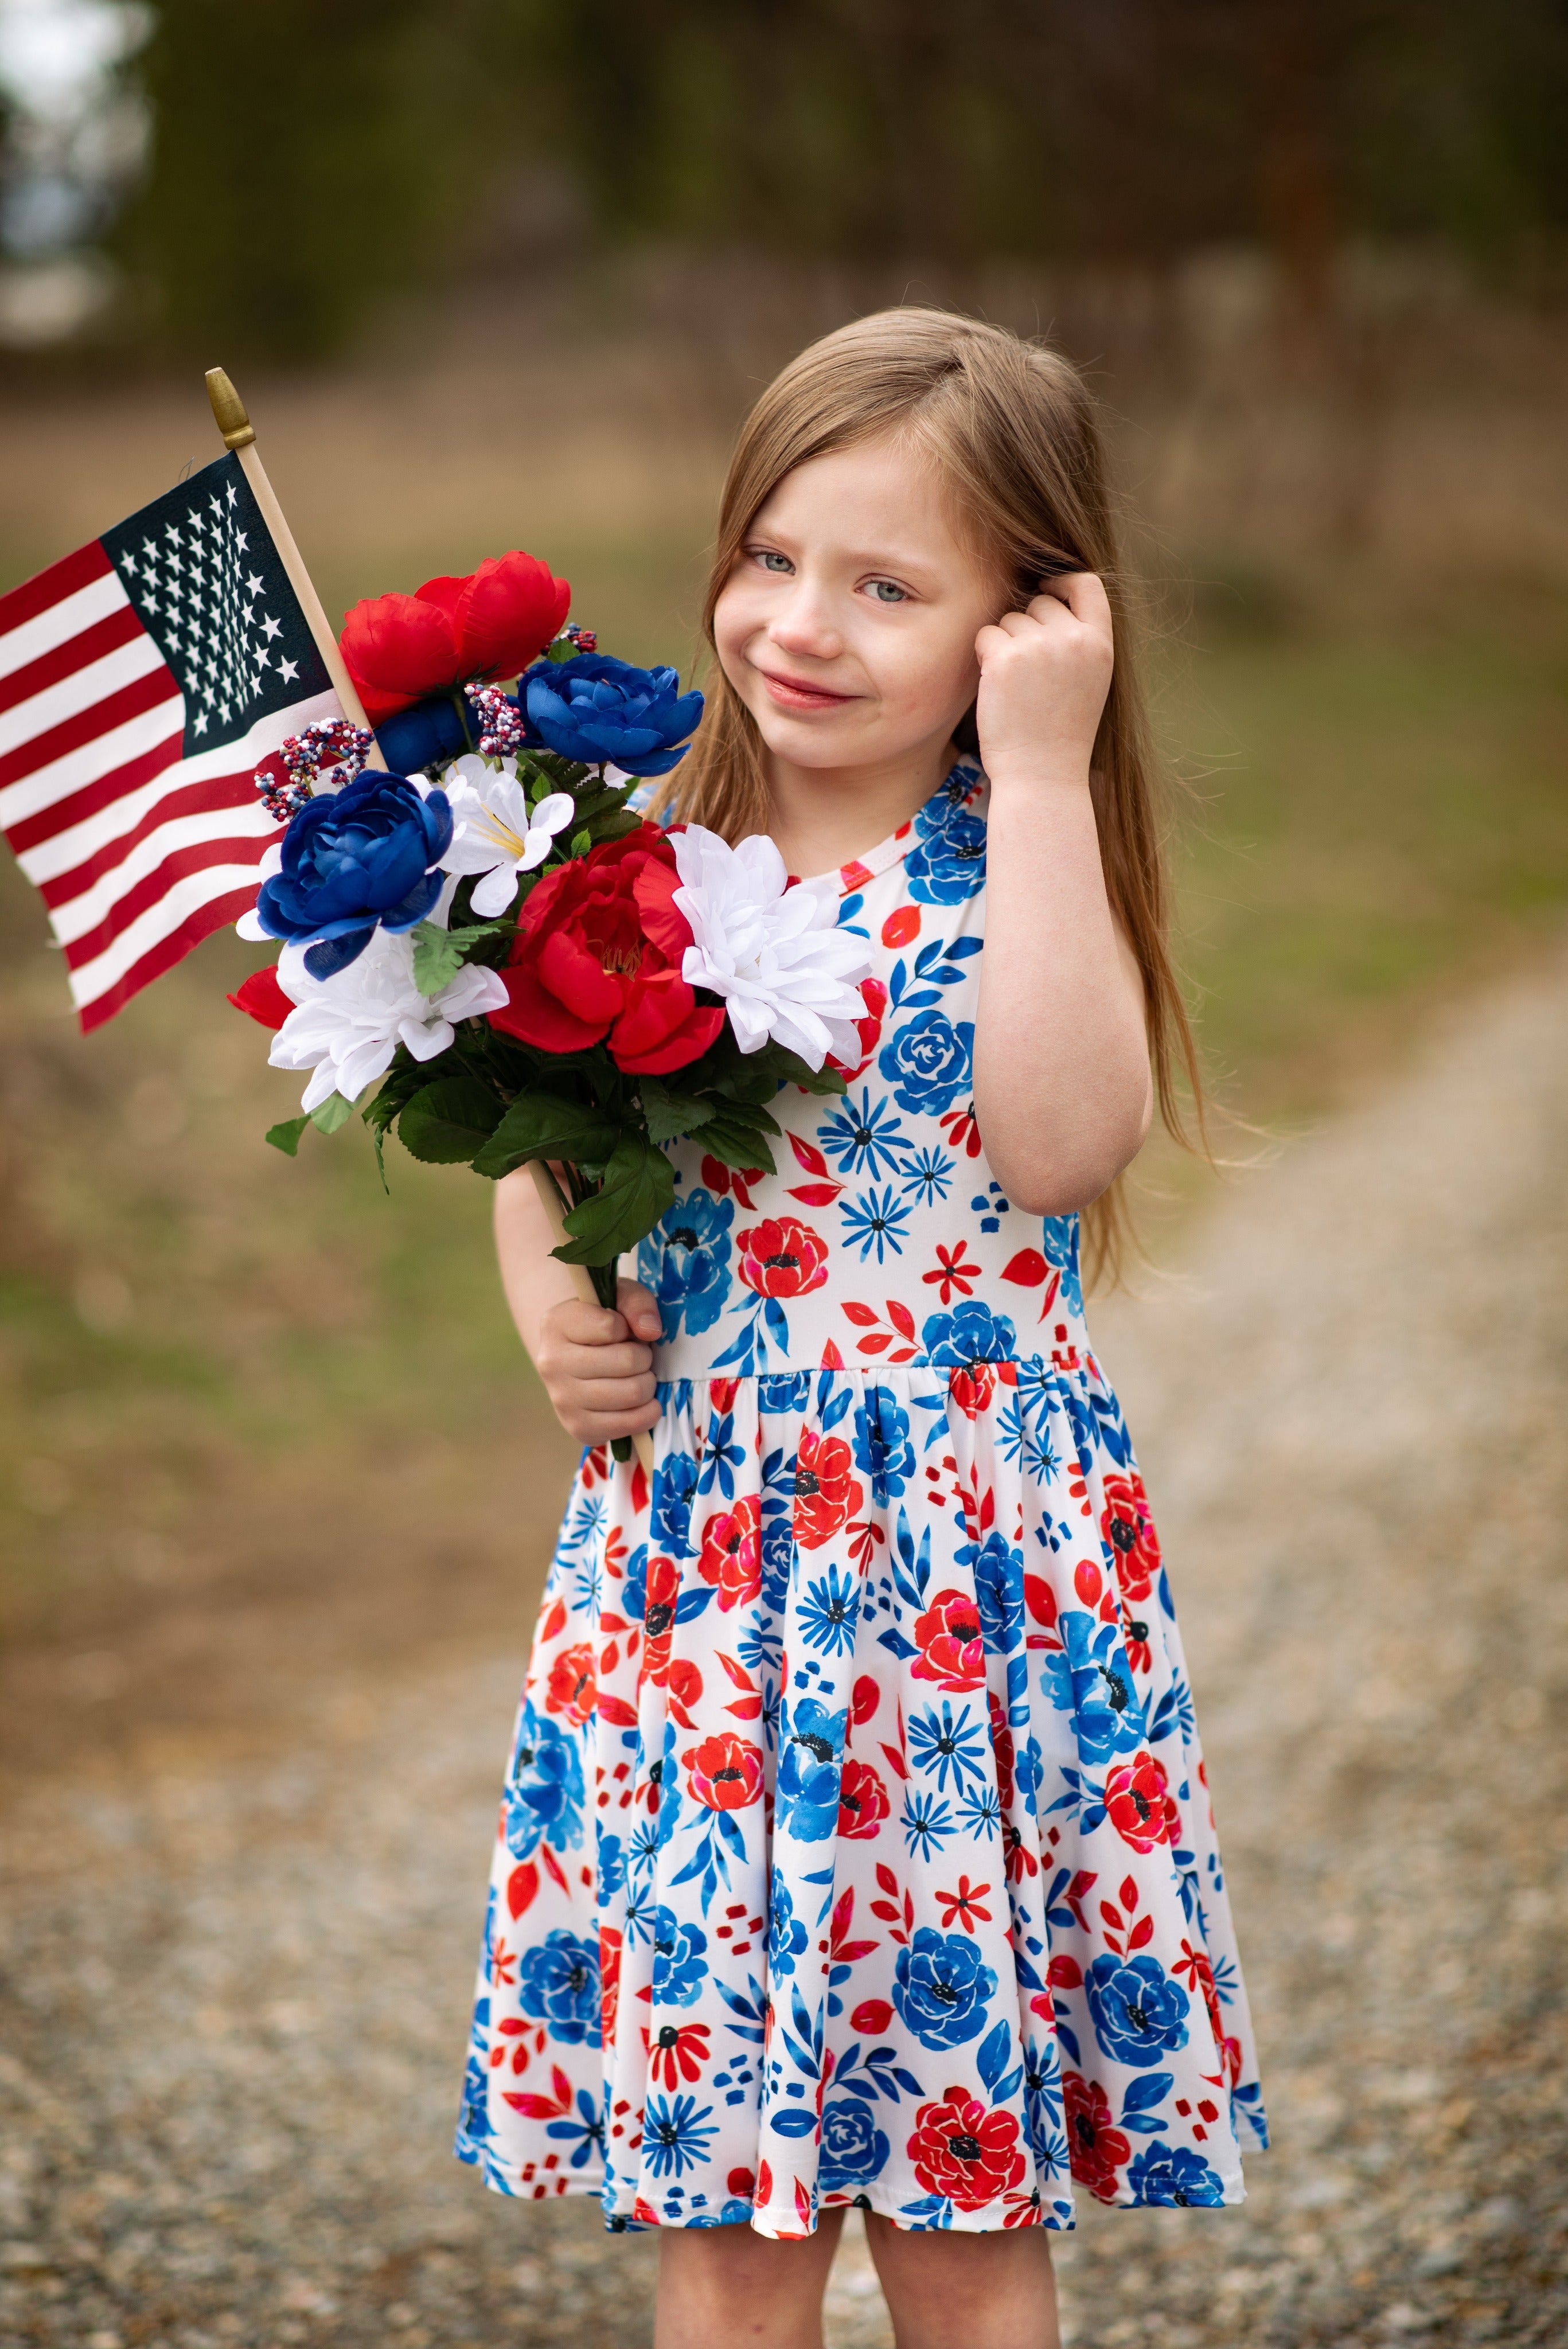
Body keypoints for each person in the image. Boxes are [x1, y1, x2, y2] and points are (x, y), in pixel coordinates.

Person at [455, 308, 1266, 2349]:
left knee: (959, 2206)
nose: (802, 624)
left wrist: (1053, 763)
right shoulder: (624, 872)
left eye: (889, 585)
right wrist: (552, 1302)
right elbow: (534, 1144)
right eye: (772, 555)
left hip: (960, 1600)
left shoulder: (1020, 869)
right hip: (704, 1595)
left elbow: (1067, 1139)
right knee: (726, 2226)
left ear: (1027, 621)